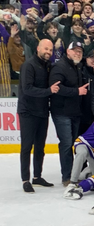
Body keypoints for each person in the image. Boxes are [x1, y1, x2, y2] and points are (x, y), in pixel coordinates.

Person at [18, 39, 58, 193]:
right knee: (27, 147)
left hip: (42, 112)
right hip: (28, 111)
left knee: (40, 147)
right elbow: (27, 89)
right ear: (38, 48)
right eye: (46, 49)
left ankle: (37, 176)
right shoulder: (29, 65)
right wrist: (49, 91)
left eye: (50, 50)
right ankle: (25, 179)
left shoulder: (47, 66)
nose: (48, 52)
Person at [49, 41, 89, 186]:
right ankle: (67, 176)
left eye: (80, 51)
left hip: (74, 112)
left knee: (72, 143)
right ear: (67, 51)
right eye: (75, 50)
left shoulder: (76, 66)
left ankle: (72, 173)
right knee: (66, 144)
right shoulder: (59, 67)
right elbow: (56, 88)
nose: (78, 53)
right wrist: (77, 91)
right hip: (62, 112)